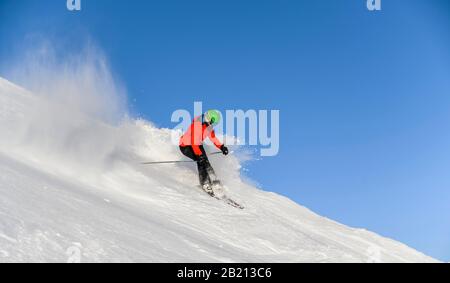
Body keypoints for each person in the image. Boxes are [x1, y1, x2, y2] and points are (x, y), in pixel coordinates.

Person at [179, 110, 229, 194]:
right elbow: (194, 143)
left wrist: (222, 147)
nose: (212, 125)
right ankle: (205, 183)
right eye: (212, 122)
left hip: (197, 144)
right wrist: (199, 155)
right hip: (186, 146)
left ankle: (214, 180)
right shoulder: (196, 125)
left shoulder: (208, 127)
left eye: (214, 123)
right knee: (201, 161)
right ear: (208, 118)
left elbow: (213, 138)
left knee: (206, 161)